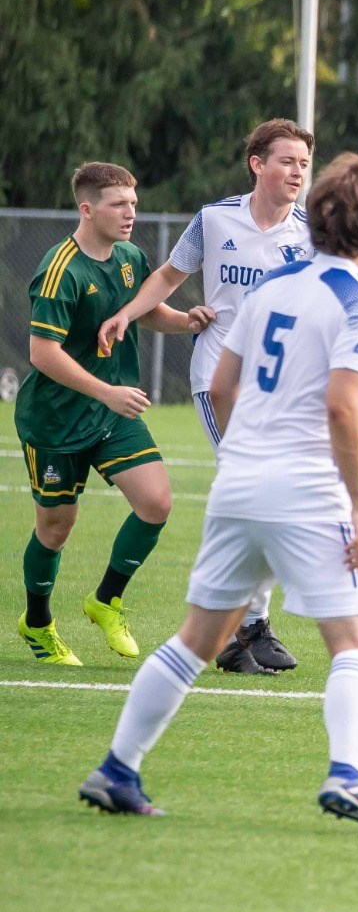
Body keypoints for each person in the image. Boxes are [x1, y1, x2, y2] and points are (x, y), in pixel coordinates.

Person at [78, 153, 358, 833]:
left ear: (314, 224)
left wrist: (244, 457)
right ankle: (348, 776)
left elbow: (222, 386)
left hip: (239, 480)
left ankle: (118, 767)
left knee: (194, 641)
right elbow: (343, 408)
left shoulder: (272, 286)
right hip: (306, 489)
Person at [98, 118, 318, 675]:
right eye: (287, 161)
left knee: (274, 499)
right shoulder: (215, 218)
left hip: (279, 384)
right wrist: (126, 313)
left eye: (303, 164)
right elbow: (168, 277)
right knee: (259, 491)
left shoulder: (310, 231)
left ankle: (246, 625)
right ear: (258, 164)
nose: (297, 172)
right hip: (218, 377)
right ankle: (242, 627)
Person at [17, 162, 211, 666]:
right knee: (56, 529)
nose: (131, 213)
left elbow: (145, 310)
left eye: (134, 203)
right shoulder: (61, 268)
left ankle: (105, 600)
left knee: (156, 503)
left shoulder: (129, 257)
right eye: (118, 204)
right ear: (87, 209)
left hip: (111, 414)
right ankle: (37, 623)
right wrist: (106, 391)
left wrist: (186, 320)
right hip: (56, 421)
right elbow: (42, 353)